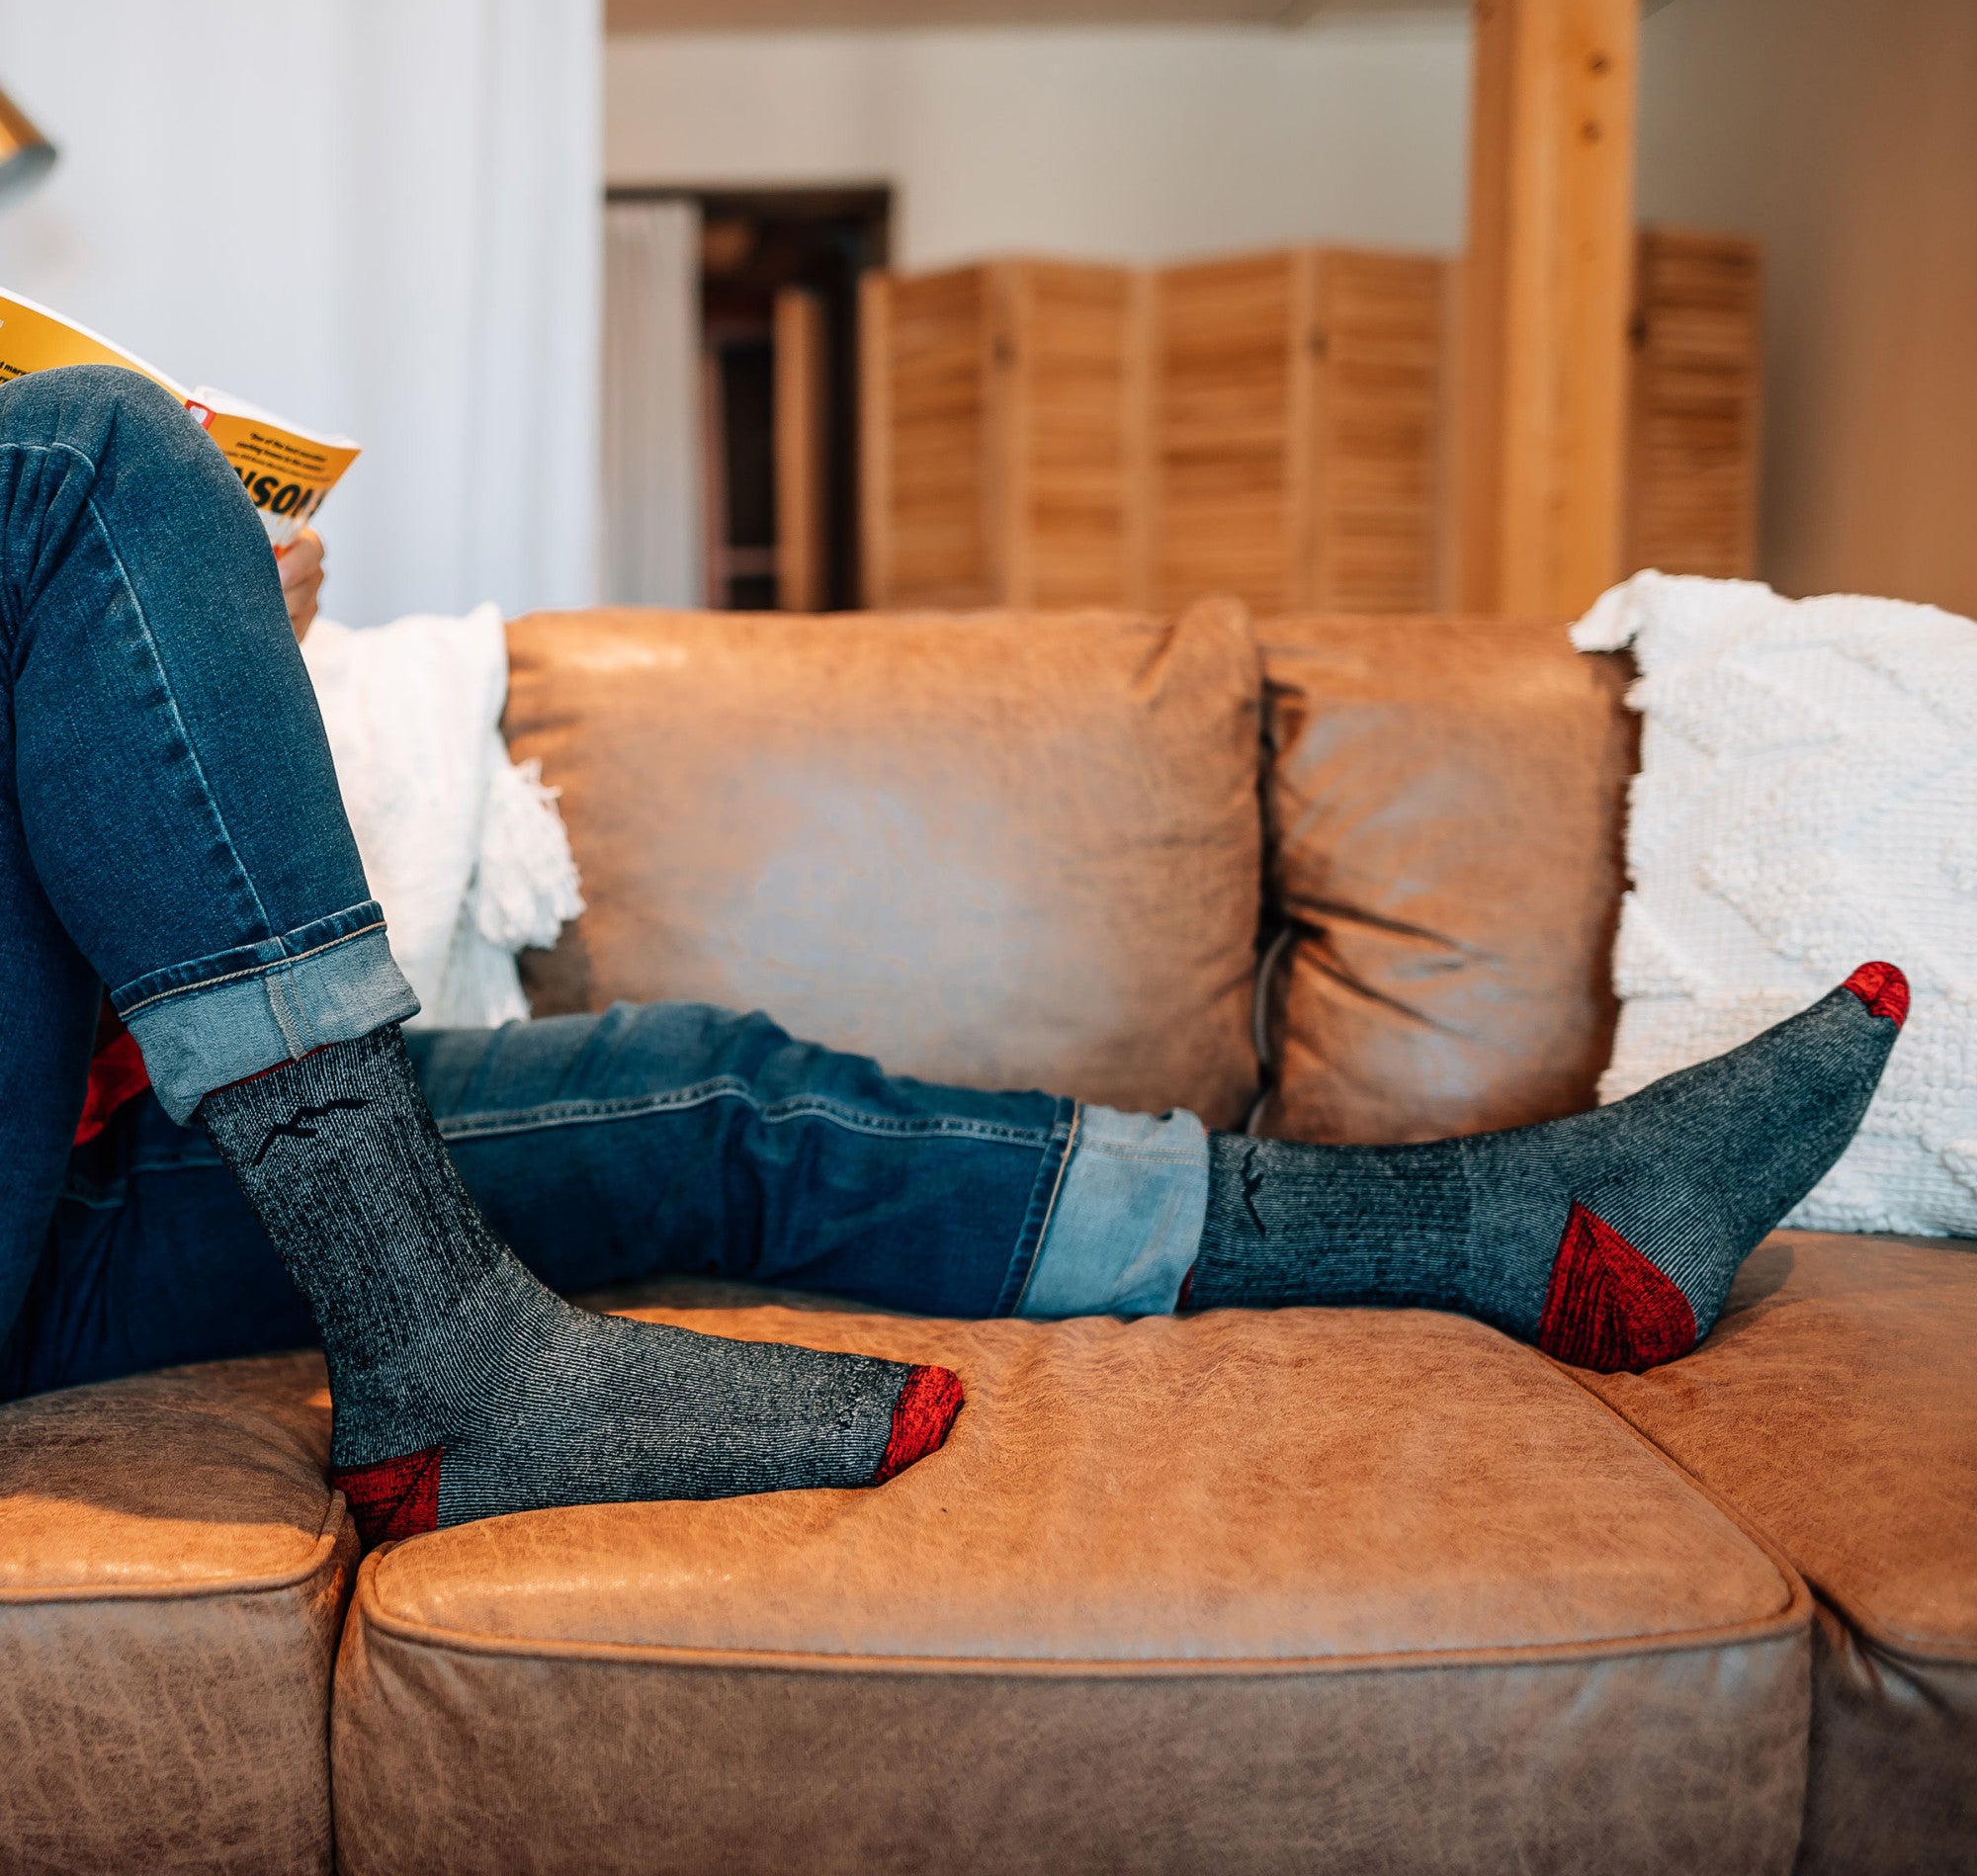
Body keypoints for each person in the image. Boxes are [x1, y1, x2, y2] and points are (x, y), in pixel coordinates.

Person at [0, 365, 1908, 1549]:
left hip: (74, 1190)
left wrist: (180, 618)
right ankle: (443, 1352)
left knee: (726, 1091)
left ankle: (1502, 1231)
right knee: (87, 451)